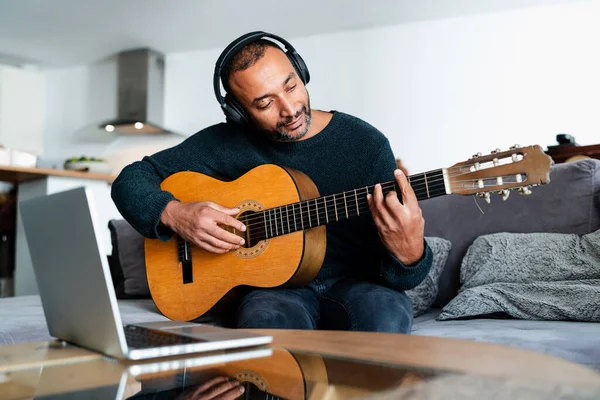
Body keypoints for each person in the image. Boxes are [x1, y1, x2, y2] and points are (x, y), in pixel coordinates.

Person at [111, 31, 433, 333]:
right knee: (265, 324)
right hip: (274, 291)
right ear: (238, 112)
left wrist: (410, 253)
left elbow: (404, 278)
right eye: (265, 103)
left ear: (301, 73)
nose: (290, 110)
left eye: (291, 87)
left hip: (357, 284)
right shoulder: (223, 143)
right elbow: (129, 180)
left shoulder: (365, 144)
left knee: (387, 316)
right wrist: (176, 214)